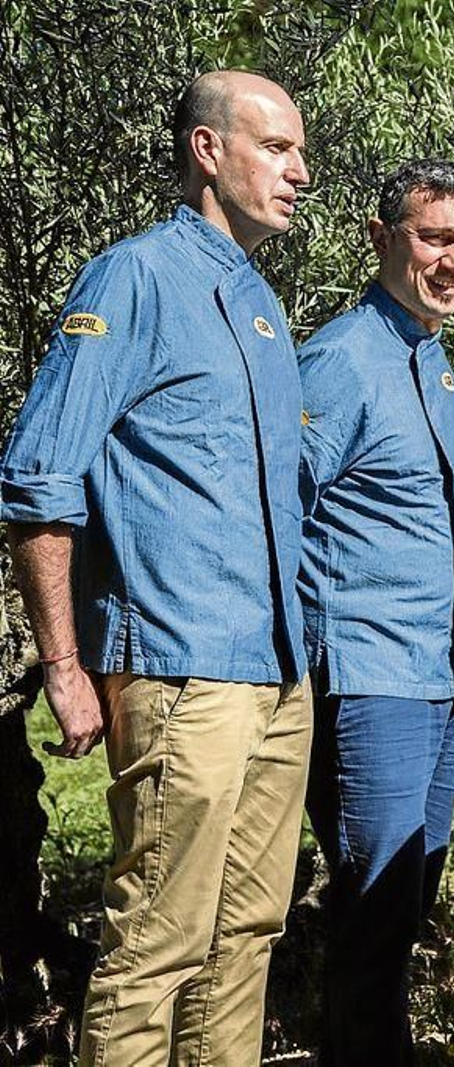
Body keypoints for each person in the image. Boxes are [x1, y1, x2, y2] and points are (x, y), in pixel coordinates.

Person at [0, 71, 310, 1064]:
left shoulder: (262, 305)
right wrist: (63, 665)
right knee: (158, 944)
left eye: (302, 152)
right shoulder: (129, 278)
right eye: (276, 147)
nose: (300, 171)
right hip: (181, 669)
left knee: (246, 936)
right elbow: (40, 477)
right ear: (208, 151)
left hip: (277, 674)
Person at [297, 159, 454, 1062]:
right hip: (369, 677)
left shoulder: (435, 361)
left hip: (441, 678)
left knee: (410, 895)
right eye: (436, 238)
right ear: (381, 239)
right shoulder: (340, 359)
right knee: (373, 910)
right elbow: (276, 510)